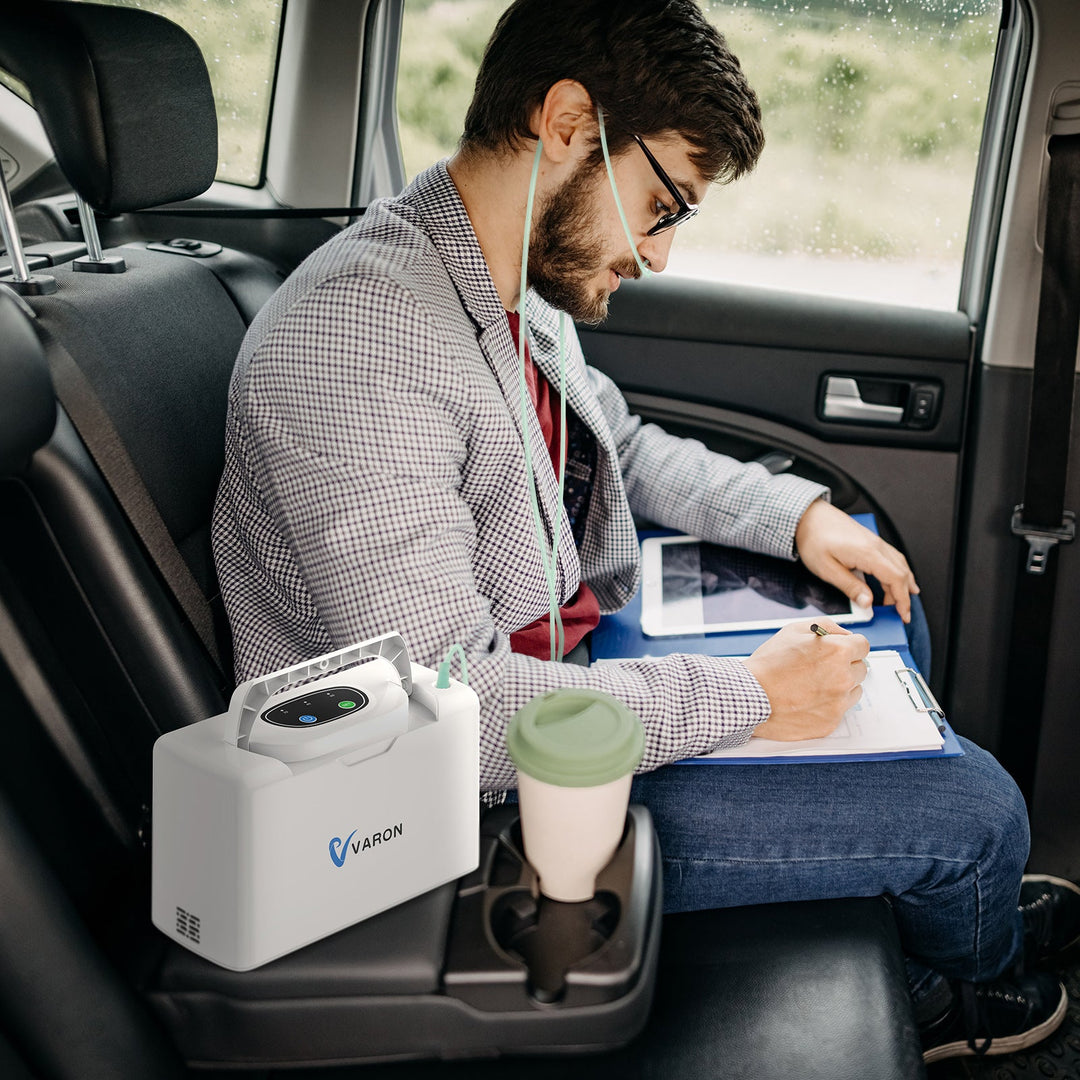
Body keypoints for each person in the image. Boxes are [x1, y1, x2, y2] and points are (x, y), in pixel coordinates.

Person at [212, 0, 1080, 1062]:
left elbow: (624, 446)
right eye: (664, 203)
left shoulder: (500, 285)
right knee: (981, 814)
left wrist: (799, 516)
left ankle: (903, 895)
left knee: (873, 612)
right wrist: (750, 697)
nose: (660, 255)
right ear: (571, 121)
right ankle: (955, 991)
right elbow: (456, 723)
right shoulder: (358, 345)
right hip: (491, 811)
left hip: (572, 682)